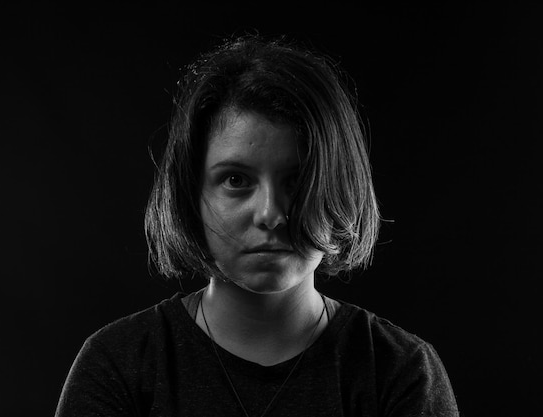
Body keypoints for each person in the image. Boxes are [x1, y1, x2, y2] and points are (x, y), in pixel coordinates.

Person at [55, 34, 459, 416]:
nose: (270, 213)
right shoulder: (119, 366)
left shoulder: (401, 372)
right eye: (236, 180)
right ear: (192, 194)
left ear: (339, 186)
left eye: (297, 180)